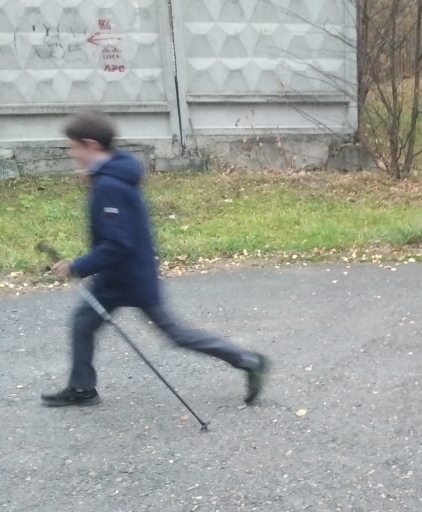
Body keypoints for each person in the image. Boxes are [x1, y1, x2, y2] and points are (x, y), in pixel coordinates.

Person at [41, 110, 268, 407]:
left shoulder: (109, 185)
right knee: (83, 323)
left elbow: (117, 244)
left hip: (131, 278)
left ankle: (249, 360)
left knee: (176, 334)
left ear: (91, 145)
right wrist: (94, 178)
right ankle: (82, 388)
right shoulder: (111, 174)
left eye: (74, 147)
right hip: (115, 278)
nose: (71, 153)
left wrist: (76, 266)